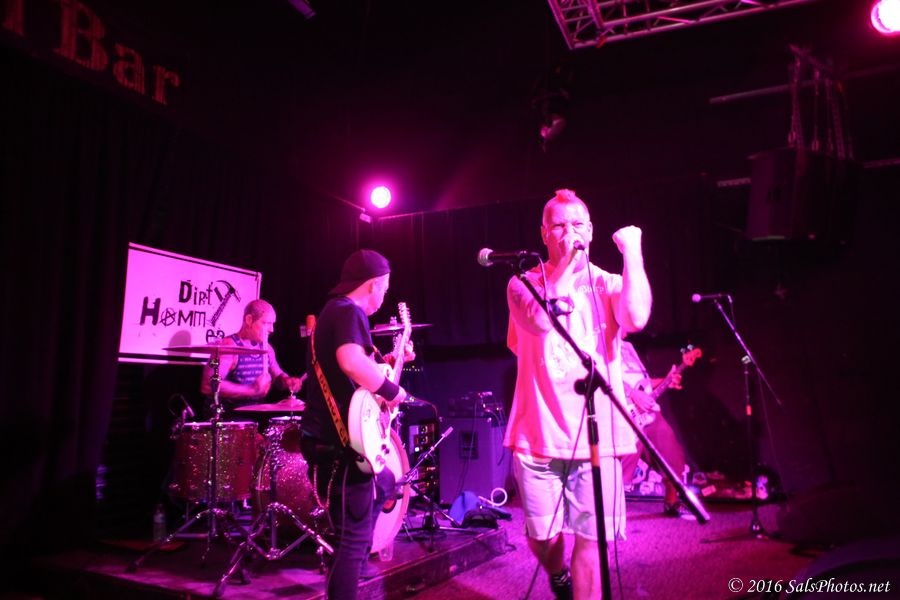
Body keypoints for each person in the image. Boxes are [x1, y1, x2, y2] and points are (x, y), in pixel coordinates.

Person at [504, 189, 651, 600]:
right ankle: (557, 573)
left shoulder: (608, 282)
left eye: (578, 224)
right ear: (544, 234)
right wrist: (567, 266)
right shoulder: (522, 283)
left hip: (598, 437)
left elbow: (636, 317)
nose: (570, 232)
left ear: (591, 230)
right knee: (544, 538)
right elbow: (540, 321)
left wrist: (633, 252)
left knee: (591, 541)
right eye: (560, 225)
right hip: (538, 434)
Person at [300, 249, 414, 600]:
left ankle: (359, 551)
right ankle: (354, 562)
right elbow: (350, 361)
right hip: (340, 444)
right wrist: (393, 392)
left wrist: (390, 362)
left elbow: (352, 371)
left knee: (386, 481)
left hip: (330, 438)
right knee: (349, 543)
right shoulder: (349, 311)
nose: (384, 297)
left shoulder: (334, 311)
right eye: (385, 289)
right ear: (373, 284)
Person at [619, 339, 695, 519]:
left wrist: (666, 380)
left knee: (670, 450)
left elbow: (642, 382)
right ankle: (607, 512)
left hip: (646, 411)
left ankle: (671, 502)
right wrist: (632, 393)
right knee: (619, 466)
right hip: (621, 410)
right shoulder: (600, 340)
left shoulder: (628, 346)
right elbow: (600, 375)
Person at [199, 299, 304, 416]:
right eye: (266, 323)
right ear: (249, 320)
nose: (272, 329)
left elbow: (278, 377)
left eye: (273, 324)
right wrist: (252, 390)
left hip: (253, 419)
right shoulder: (229, 347)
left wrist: (287, 381)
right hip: (227, 419)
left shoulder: (267, 348)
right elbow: (208, 385)